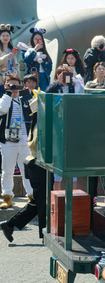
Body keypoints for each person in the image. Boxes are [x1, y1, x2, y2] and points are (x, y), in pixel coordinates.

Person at [0, 105, 46, 242]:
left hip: (37, 166)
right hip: (38, 167)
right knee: (42, 203)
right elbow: (37, 144)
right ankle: (44, 234)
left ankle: (10, 225)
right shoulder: (40, 126)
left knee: (38, 202)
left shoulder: (37, 124)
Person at [0, 75, 34, 208]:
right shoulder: (4, 99)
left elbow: (35, 110)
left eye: (16, 85)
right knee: (7, 170)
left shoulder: (24, 99)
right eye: (10, 85)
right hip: (8, 141)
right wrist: (8, 94)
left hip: (25, 141)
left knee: (27, 171)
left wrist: (27, 95)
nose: (14, 88)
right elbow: (2, 110)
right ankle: (7, 196)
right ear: (5, 86)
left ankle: (31, 195)